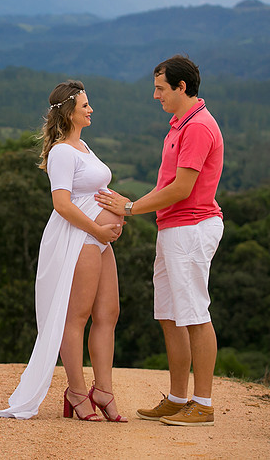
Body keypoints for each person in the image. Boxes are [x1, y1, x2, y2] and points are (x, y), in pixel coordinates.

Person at [95, 55, 224, 427]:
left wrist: (131, 207)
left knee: (195, 314)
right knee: (170, 316)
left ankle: (203, 404)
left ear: (181, 87)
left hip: (191, 228)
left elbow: (181, 189)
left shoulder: (197, 126)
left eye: (160, 88)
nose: (156, 95)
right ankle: (179, 398)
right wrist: (129, 206)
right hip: (173, 229)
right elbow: (167, 185)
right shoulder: (180, 124)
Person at [0, 80, 127, 422]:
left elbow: (95, 190)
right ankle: (77, 391)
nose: (91, 109)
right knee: (76, 316)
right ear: (69, 112)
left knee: (108, 313)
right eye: (84, 106)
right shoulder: (62, 151)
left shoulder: (84, 147)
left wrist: (121, 208)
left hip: (99, 239)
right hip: (81, 237)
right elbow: (62, 204)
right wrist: (97, 229)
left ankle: (104, 390)